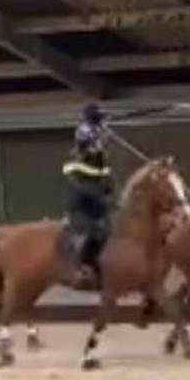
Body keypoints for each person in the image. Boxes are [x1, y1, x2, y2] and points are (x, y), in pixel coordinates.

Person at [63, 118, 115, 288]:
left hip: (99, 203)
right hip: (82, 204)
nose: (99, 144)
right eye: (95, 141)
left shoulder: (100, 156)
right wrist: (97, 194)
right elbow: (77, 183)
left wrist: (108, 190)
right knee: (95, 232)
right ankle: (85, 268)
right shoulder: (74, 157)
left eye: (98, 141)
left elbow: (107, 177)